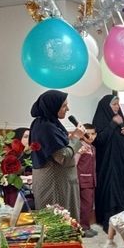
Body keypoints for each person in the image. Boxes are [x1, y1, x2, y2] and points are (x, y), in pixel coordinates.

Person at [30, 90, 87, 220]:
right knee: (58, 222)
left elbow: (59, 146)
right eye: (64, 106)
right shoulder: (46, 127)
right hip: (54, 183)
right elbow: (63, 157)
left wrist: (72, 138)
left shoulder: (48, 123)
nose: (68, 109)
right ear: (52, 106)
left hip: (58, 180)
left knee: (64, 221)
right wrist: (76, 138)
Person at [92, 94, 124, 232]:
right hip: (107, 165)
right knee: (109, 191)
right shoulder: (101, 120)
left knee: (122, 190)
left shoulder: (121, 120)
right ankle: (108, 222)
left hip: (122, 163)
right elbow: (99, 140)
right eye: (114, 104)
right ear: (106, 106)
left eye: (118, 104)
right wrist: (112, 124)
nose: (117, 107)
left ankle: (121, 220)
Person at [75, 123, 98, 237]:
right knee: (85, 205)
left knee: (88, 205)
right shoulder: (81, 147)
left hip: (91, 180)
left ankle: (86, 226)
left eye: (93, 134)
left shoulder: (92, 148)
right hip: (82, 180)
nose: (90, 136)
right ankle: (83, 228)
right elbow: (74, 164)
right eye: (87, 134)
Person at [2, 127, 32, 207]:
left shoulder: (33, 153)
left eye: (31, 136)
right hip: (14, 191)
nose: (29, 139)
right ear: (17, 139)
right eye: (25, 137)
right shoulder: (11, 155)